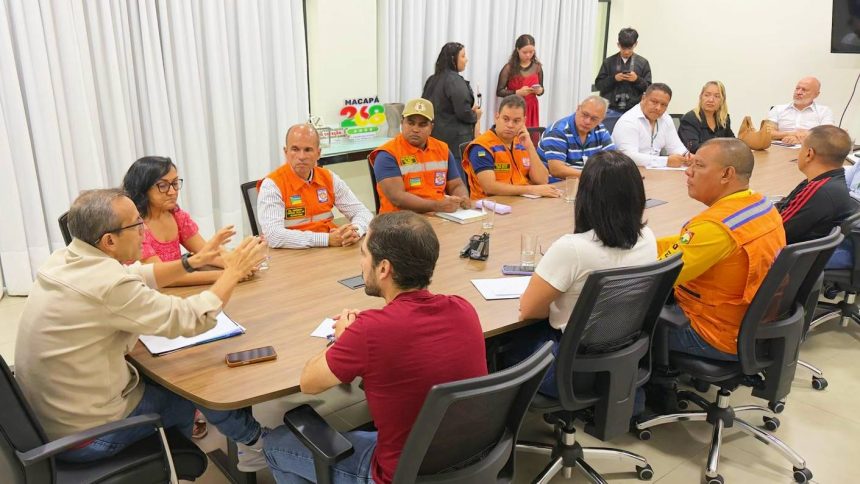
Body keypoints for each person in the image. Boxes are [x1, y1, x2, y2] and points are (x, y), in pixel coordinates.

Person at [14, 189, 270, 470]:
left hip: (48, 424)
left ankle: (247, 443)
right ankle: (247, 446)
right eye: (136, 224)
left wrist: (191, 262)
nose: (144, 231)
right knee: (193, 386)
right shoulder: (107, 286)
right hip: (87, 437)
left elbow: (133, 275)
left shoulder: (64, 258)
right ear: (109, 240)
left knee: (171, 370)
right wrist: (232, 272)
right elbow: (191, 318)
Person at [262, 212, 488, 483]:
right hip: (468, 463)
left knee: (276, 444)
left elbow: (308, 382)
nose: (361, 263)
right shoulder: (463, 309)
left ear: (383, 269)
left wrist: (345, 338)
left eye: (363, 254)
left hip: (400, 476)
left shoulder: (369, 331)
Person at [514, 151, 657, 397]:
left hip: (570, 373)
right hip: (622, 363)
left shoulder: (573, 249)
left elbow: (529, 310)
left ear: (586, 196)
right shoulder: (648, 237)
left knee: (504, 345)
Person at [657, 138, 786, 361]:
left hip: (715, 334)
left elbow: (655, 278)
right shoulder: (761, 205)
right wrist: (644, 243)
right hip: (752, 326)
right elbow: (689, 243)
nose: (688, 171)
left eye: (698, 165)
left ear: (727, 174)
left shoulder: (715, 227)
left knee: (617, 325)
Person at [122, 156, 239, 288]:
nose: (173, 192)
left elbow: (204, 253)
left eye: (175, 183)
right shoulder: (134, 227)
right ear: (142, 189)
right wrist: (229, 275)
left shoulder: (176, 215)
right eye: (163, 186)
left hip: (175, 293)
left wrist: (237, 264)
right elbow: (161, 277)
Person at [258, 124, 374, 249]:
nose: (301, 156)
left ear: (318, 153)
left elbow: (363, 213)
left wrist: (354, 231)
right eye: (295, 149)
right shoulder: (272, 185)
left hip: (329, 250)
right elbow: (273, 236)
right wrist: (326, 239)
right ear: (286, 152)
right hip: (292, 252)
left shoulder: (329, 178)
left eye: (308, 150)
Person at [368, 98, 471, 213]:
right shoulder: (387, 154)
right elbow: (397, 198)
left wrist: (462, 198)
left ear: (431, 128)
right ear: (402, 123)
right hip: (399, 219)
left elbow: (456, 185)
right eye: (410, 123)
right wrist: (436, 206)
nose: (415, 129)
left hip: (438, 215)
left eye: (422, 125)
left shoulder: (442, 149)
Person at [776, 125, 856, 268]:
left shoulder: (819, 191)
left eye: (801, 147)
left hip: (792, 260)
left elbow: (777, 230)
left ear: (809, 154)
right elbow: (784, 206)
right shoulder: (828, 181)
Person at [462, 95, 560, 199]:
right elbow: (490, 187)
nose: (510, 125)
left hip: (522, 201)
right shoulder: (482, 146)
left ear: (524, 121)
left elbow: (542, 180)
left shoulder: (522, 142)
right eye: (506, 119)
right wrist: (531, 190)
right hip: (491, 204)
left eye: (516, 121)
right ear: (497, 117)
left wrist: (530, 146)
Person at [422, 42, 483, 164]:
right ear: (452, 59)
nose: (466, 60)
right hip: (455, 143)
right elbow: (463, 113)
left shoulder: (432, 79)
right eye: (463, 56)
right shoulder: (455, 80)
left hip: (433, 139)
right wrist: (475, 115)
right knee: (456, 174)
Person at [612, 83, 691, 168]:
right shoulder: (628, 121)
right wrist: (666, 161)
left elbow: (675, 147)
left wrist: (687, 157)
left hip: (655, 171)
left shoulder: (665, 118)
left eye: (663, 105)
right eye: (654, 102)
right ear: (643, 98)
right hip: (629, 171)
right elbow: (629, 157)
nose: (658, 108)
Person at [537, 95, 615, 179]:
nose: (587, 121)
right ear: (578, 109)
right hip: (558, 183)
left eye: (594, 119)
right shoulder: (558, 131)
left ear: (602, 119)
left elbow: (613, 160)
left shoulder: (601, 131)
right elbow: (557, 170)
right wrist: (592, 176)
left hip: (587, 182)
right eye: (585, 114)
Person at [594, 27, 652, 116]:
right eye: (623, 48)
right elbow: (599, 85)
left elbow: (649, 89)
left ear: (636, 44)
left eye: (630, 48)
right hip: (611, 109)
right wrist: (614, 79)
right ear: (618, 44)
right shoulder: (608, 62)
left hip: (634, 110)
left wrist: (637, 79)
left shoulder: (643, 63)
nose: (626, 52)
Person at [766, 77, 834, 145]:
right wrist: (792, 134)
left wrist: (800, 140)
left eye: (804, 90)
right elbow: (767, 133)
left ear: (816, 94)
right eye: (797, 88)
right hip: (780, 147)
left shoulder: (824, 111)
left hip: (810, 148)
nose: (798, 92)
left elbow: (828, 135)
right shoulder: (778, 109)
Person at [496, 34, 544, 128]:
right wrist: (517, 92)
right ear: (518, 50)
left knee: (531, 134)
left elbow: (541, 89)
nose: (528, 55)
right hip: (514, 107)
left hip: (532, 107)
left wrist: (540, 91)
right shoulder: (509, 68)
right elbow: (499, 91)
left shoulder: (537, 67)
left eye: (531, 52)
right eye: (525, 52)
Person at [678, 81, 735, 154]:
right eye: (707, 95)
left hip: (719, 159)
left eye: (717, 96)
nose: (711, 100)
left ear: (722, 100)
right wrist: (721, 148)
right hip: (697, 159)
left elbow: (732, 143)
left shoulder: (723, 119)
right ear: (701, 97)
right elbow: (693, 148)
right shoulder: (690, 119)